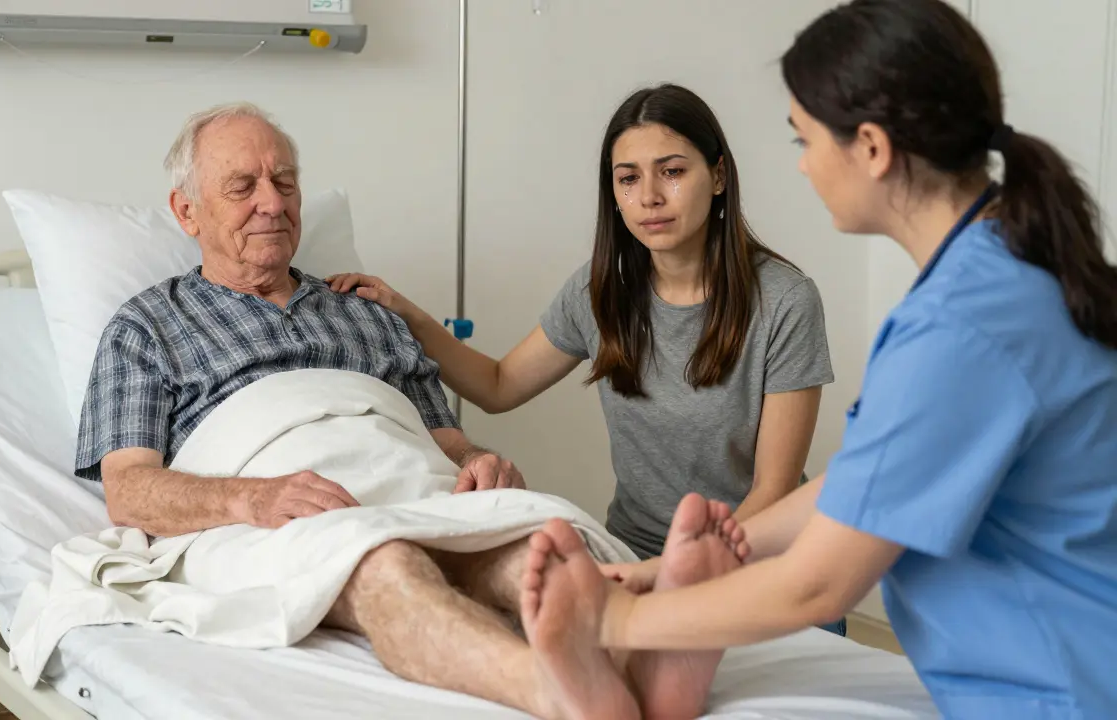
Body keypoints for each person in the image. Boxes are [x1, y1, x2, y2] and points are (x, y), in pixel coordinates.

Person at [518, 0, 1117, 718]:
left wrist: (610, 623)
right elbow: (861, 483)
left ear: (870, 148)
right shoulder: (1000, 273)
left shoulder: (963, 326)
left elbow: (818, 587)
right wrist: (655, 574)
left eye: (804, 140)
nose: (802, 167)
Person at [76, 101, 733, 720]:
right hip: (271, 521)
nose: (272, 203)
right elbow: (128, 490)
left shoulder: (365, 312)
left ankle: (647, 666)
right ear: (186, 212)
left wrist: (478, 462)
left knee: (533, 547)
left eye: (285, 181)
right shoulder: (146, 328)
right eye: (243, 186)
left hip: (410, 490)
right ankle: (555, 692)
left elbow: (440, 440)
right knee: (384, 562)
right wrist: (251, 498)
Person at [328, 83, 835, 562]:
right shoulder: (601, 292)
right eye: (629, 178)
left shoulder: (784, 300)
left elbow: (773, 489)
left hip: (760, 556)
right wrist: (409, 316)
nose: (650, 196)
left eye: (673, 171)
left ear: (719, 176)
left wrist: (676, 578)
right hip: (635, 552)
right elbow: (498, 386)